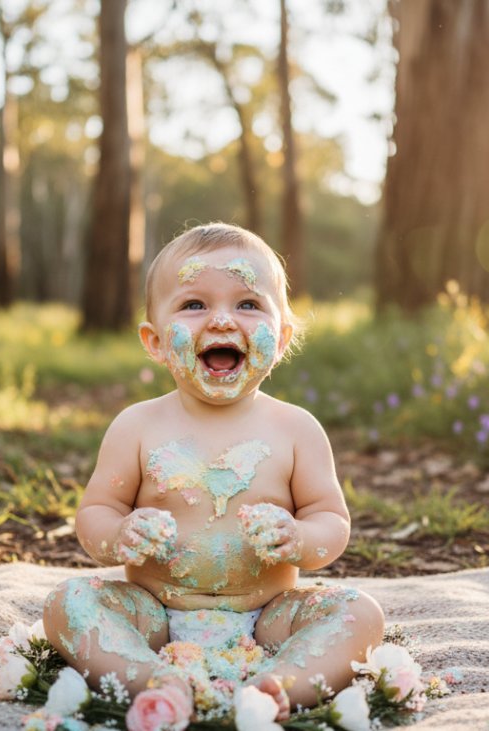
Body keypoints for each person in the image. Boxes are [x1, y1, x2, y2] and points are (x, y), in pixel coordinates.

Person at [42, 223, 383, 723]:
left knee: (361, 613)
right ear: (156, 342)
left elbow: (331, 521)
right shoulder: (136, 426)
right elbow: (96, 512)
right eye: (194, 304)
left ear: (282, 338)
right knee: (66, 602)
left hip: (270, 616)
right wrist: (119, 534)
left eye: (248, 304)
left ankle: (279, 685)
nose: (222, 320)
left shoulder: (296, 429)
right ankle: (155, 682)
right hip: (151, 613)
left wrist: (298, 536)